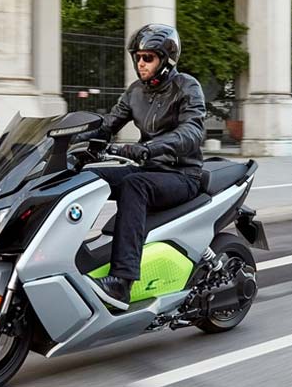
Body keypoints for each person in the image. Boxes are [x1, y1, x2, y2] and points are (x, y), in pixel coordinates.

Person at [80, 23, 206, 310]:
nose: (140, 63)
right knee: (85, 178)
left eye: (147, 57)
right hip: (148, 169)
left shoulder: (187, 87)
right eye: (137, 57)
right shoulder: (135, 91)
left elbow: (192, 132)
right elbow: (108, 124)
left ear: (165, 59)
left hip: (180, 174)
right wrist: (66, 142)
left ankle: (122, 282)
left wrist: (147, 148)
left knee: (134, 186)